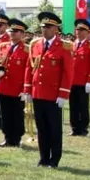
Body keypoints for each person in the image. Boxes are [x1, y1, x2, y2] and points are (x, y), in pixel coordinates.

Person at [23, 12, 74, 168]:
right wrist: (27, 89)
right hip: (38, 92)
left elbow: (68, 72)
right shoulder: (35, 44)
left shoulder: (64, 46)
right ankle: (44, 157)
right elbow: (29, 67)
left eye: (49, 27)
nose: (45, 29)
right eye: (43, 27)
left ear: (56, 29)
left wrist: (63, 93)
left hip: (53, 94)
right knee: (42, 127)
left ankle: (54, 159)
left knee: (54, 128)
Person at [0, 18, 30, 147]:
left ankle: (17, 138)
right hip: (3, 85)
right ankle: (7, 137)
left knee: (17, 114)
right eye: (11, 31)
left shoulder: (27, 49)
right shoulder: (3, 46)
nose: (13, 33)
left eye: (16, 31)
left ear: (22, 34)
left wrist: (25, 89)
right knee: (5, 114)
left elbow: (28, 70)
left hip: (17, 88)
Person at [68, 19, 90, 136]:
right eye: (77, 30)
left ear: (87, 32)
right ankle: (74, 128)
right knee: (73, 105)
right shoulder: (71, 45)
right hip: (72, 81)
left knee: (83, 106)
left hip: (84, 82)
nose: (78, 32)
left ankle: (83, 128)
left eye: (81, 30)